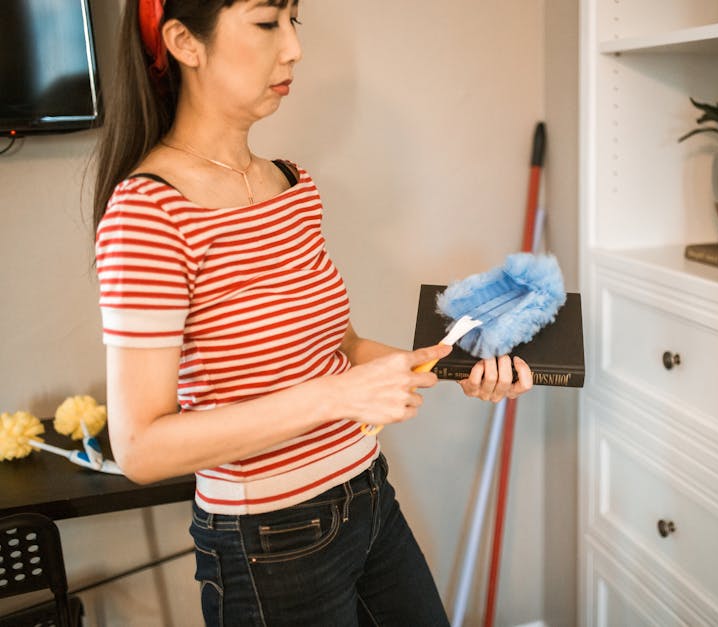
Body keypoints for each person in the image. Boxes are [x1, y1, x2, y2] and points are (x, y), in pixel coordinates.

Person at [92, 1, 533, 625]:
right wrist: (339, 397)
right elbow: (139, 447)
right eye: (269, 22)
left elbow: (341, 348)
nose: (294, 47)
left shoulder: (290, 184)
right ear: (185, 41)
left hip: (368, 495)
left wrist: (465, 364)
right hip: (268, 542)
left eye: (295, 22)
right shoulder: (149, 214)